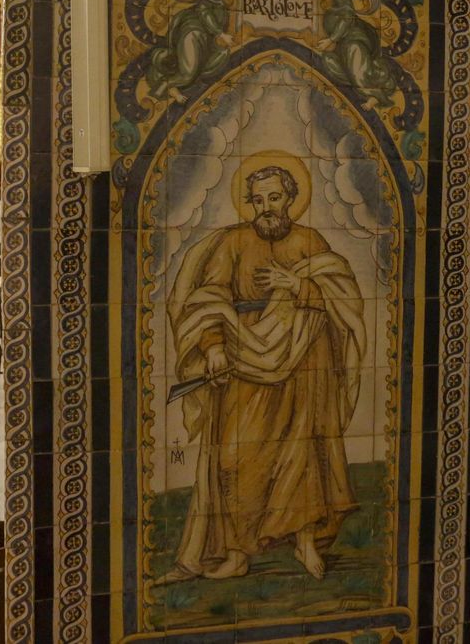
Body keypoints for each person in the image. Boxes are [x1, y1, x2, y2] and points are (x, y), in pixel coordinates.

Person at [157, 165, 367, 583]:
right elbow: (210, 296)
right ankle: (236, 554)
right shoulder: (233, 242)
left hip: (304, 361)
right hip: (242, 356)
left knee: (301, 453)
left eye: (274, 198)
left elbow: (342, 297)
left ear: (290, 199)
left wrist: (297, 285)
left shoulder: (310, 241)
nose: (266, 207)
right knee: (234, 457)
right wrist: (213, 346)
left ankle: (304, 542)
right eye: (258, 200)